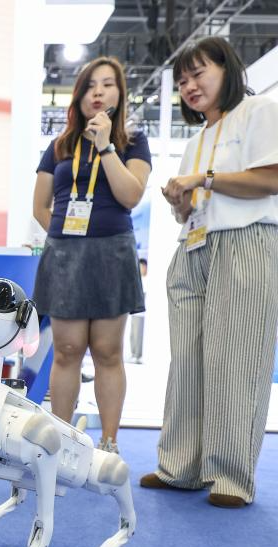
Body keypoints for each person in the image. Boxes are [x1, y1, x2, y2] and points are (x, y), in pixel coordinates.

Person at [142, 36, 278, 508]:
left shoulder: (259, 111)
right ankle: (180, 466)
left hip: (246, 240)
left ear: (227, 69)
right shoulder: (195, 141)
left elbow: (271, 178)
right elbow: (192, 209)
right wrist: (181, 202)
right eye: (182, 81)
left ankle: (230, 476)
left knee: (237, 360)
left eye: (198, 73)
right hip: (194, 246)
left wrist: (205, 179)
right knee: (187, 361)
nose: (189, 86)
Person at [31, 56, 152, 455]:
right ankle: (62, 444)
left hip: (112, 253)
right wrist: (64, 239)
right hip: (66, 255)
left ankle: (108, 444)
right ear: (79, 95)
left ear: (120, 93)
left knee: (107, 351)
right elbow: (40, 206)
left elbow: (130, 196)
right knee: (66, 351)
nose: (98, 92)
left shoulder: (133, 142)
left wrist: (106, 147)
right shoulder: (59, 146)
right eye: (90, 86)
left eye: (107, 84)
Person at [128, 258, 148, 364]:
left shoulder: (147, 280)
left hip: (141, 313)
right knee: (133, 334)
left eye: (141, 266)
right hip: (134, 311)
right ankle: (133, 354)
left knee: (138, 334)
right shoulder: (137, 279)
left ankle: (137, 355)